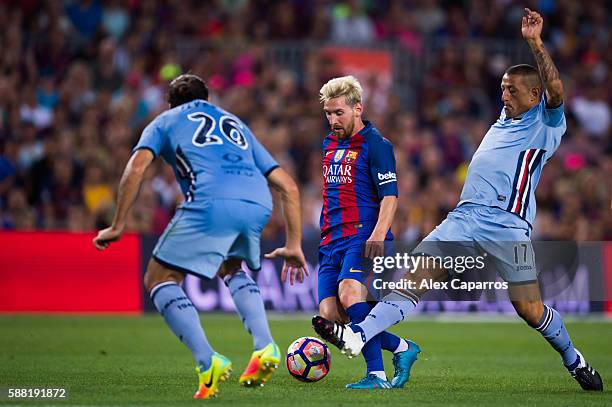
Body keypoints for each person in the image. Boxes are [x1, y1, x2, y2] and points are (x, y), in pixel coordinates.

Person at [312, 9, 603, 391]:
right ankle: (359, 335)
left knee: (529, 308)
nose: (504, 95)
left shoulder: (546, 123)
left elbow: (557, 90)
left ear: (534, 95)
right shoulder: (505, 117)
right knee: (414, 276)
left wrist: (535, 43)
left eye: (512, 90)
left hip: (507, 224)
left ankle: (573, 358)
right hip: (464, 218)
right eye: (501, 88)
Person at [93, 74, 308, 399]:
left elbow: (136, 169)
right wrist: (294, 244)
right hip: (257, 201)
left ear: (170, 102)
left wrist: (118, 223)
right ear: (207, 100)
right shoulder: (234, 124)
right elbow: (289, 186)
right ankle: (265, 346)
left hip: (211, 201)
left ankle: (208, 362)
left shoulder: (164, 120)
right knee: (232, 267)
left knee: (158, 278)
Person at [316, 75, 420, 389]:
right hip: (330, 239)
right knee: (332, 316)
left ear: (358, 108)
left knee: (350, 292)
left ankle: (376, 375)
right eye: (329, 114)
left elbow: (390, 195)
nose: (333, 120)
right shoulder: (329, 143)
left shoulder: (377, 145)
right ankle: (403, 348)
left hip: (363, 235)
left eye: (339, 113)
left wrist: (378, 233)